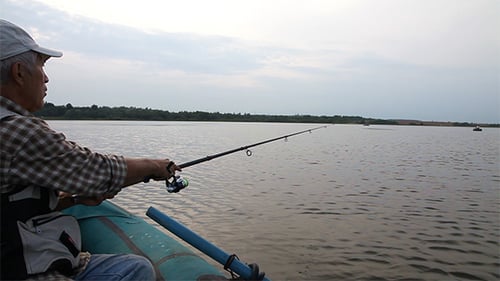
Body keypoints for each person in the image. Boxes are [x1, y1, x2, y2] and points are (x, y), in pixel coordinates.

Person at [0, 19, 181, 280]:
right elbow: (95, 170)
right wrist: (154, 167)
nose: (46, 77)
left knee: (135, 267)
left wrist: (72, 200)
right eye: (41, 64)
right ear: (18, 72)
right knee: (137, 270)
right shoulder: (16, 131)